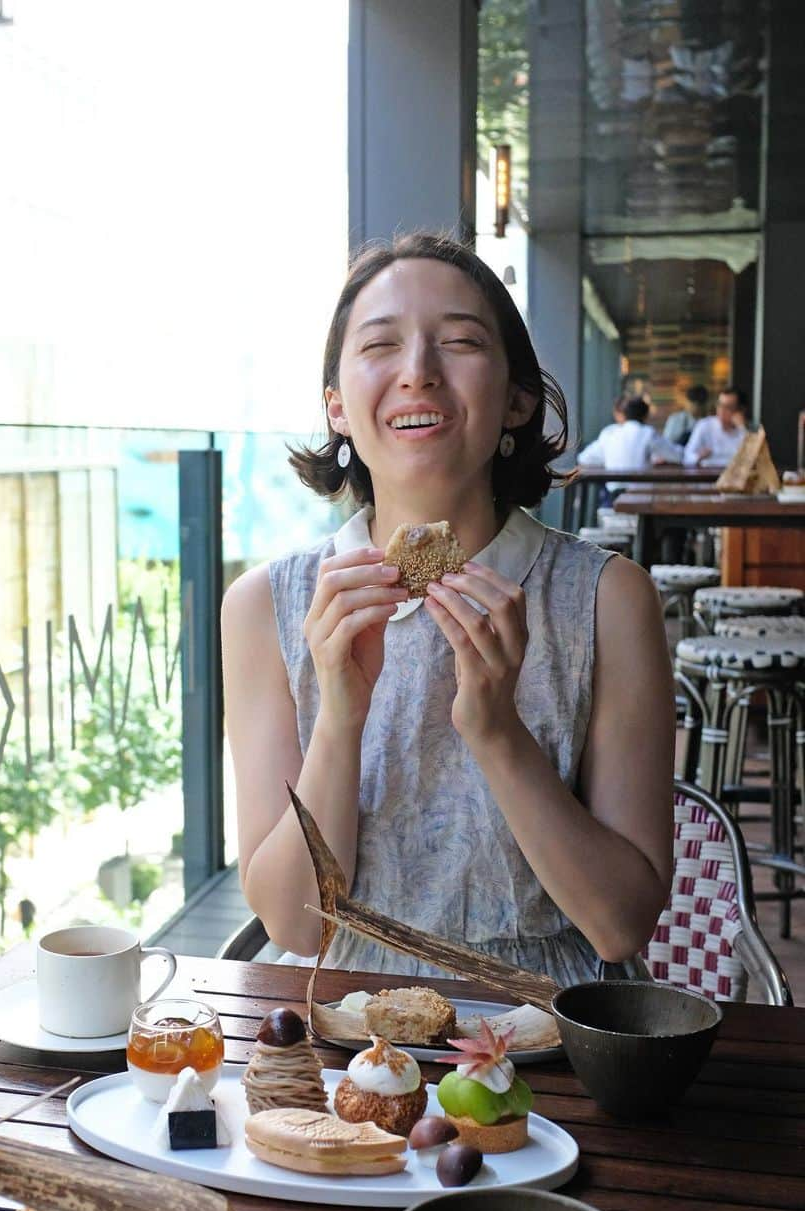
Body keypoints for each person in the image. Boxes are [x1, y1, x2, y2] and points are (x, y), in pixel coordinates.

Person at [221, 231, 675, 986]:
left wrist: (497, 732)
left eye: (459, 342)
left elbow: (621, 925)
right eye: (380, 346)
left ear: (517, 400)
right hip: (345, 1025)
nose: (418, 373)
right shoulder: (266, 607)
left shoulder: (608, 599)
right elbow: (294, 925)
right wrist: (339, 718)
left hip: (557, 1032)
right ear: (336, 406)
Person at [577, 396, 680, 478]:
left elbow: (584, 458)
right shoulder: (648, 433)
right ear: (646, 416)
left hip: (614, 494)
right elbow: (677, 455)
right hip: (641, 495)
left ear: (624, 414)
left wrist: (609, 460)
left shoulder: (610, 433)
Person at [683, 387, 749, 466]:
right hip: (707, 476)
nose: (721, 410)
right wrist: (698, 457)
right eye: (719, 405)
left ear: (740, 410)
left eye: (728, 407)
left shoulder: (746, 430)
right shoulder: (705, 425)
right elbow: (687, 457)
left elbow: (751, 458)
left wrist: (742, 428)